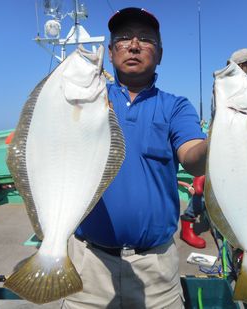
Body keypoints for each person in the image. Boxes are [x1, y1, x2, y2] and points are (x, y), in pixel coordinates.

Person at [62, 7, 207, 309]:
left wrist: (221, 142)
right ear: (112, 52)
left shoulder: (176, 106)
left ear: (160, 54)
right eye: (124, 38)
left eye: (146, 39)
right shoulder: (86, 98)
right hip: (88, 265)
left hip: (156, 270)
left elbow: (193, 158)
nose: (134, 45)